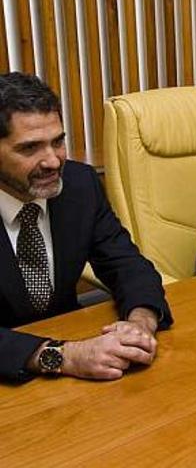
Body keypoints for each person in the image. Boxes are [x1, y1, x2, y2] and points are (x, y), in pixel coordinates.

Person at [0, 72, 172, 383]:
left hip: (78, 356)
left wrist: (140, 322)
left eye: (58, 141)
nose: (53, 161)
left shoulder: (79, 184)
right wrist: (62, 356)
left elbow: (126, 264)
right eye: (30, 148)